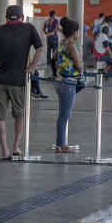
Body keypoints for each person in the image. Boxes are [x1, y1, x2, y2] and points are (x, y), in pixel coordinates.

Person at [0, 5, 43, 160]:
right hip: (19, 79)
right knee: (19, 114)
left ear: (6, 18)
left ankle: (5, 150)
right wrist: (32, 68)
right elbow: (40, 48)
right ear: (22, 17)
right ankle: (16, 146)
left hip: (0, 79)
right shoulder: (29, 28)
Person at [52, 17, 83, 153]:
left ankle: (61, 143)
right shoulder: (71, 45)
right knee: (64, 115)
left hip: (59, 81)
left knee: (62, 114)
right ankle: (61, 145)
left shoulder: (61, 43)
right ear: (75, 32)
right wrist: (78, 68)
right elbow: (78, 65)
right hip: (68, 82)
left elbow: (54, 56)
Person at [43, 10, 60, 78]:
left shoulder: (47, 20)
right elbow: (56, 27)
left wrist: (47, 33)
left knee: (48, 50)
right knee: (55, 51)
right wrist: (53, 32)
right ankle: (54, 63)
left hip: (48, 37)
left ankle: (48, 62)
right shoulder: (55, 20)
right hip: (54, 37)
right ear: (54, 14)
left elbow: (43, 29)